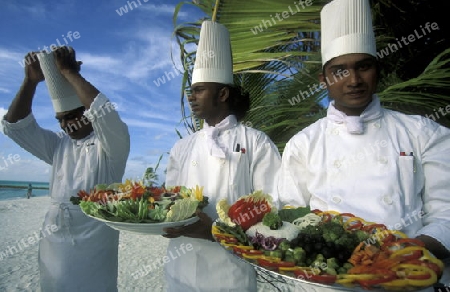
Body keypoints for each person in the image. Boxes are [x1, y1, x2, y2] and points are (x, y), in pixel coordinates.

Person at [277, 0, 449, 290]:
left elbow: (446, 211)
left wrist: (401, 256)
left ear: (377, 70)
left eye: (363, 67)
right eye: (340, 71)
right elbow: (289, 217)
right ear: (324, 80)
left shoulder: (423, 132)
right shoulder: (303, 144)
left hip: (407, 280)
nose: (354, 80)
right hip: (326, 283)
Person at [162, 20, 281, 291]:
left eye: (199, 90)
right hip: (180, 268)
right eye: (191, 91)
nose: (191, 97)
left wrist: (216, 232)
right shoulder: (182, 147)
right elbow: (171, 198)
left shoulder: (256, 142)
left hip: (230, 274)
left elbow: (272, 207)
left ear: (223, 93)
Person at [1, 46, 130, 291]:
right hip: (54, 247)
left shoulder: (112, 146)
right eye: (60, 119)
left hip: (95, 251)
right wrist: (29, 82)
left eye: (71, 116)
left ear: (86, 111)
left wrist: (70, 73)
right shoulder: (59, 146)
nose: (65, 125)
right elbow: (14, 126)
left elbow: (105, 113)